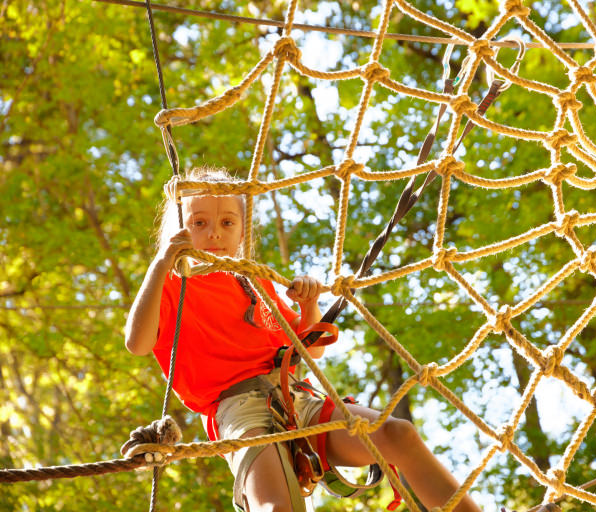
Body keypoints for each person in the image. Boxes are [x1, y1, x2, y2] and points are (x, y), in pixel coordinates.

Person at [124, 167, 481, 512]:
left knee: (398, 434)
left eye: (227, 222)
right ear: (179, 229)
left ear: (242, 231)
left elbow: (309, 351)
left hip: (296, 397)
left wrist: (310, 304)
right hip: (238, 409)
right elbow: (137, 344)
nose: (215, 233)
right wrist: (159, 264)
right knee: (276, 507)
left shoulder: (253, 282)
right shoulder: (173, 284)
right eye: (199, 223)